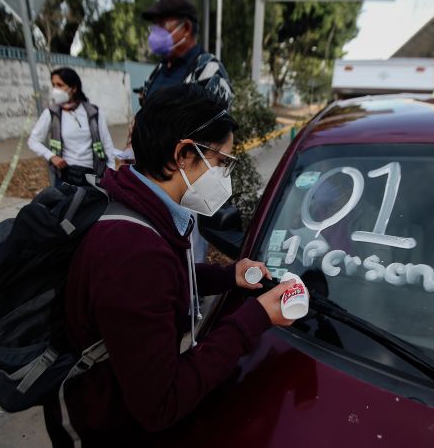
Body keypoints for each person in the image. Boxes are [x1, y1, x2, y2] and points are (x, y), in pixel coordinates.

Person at [42, 84, 296, 447]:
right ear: (183, 154)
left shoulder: (136, 201)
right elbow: (160, 405)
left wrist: (228, 275)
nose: (225, 175)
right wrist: (254, 317)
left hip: (114, 393)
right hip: (104, 424)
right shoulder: (134, 253)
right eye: (222, 161)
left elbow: (163, 285)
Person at [135, 0, 235, 263]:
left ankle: (190, 296)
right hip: (153, 185)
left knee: (186, 256)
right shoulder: (158, 72)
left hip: (186, 184)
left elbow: (216, 135)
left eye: (161, 25)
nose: (154, 33)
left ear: (185, 28)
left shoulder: (207, 71)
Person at [28, 67, 122, 187]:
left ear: (73, 88)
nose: (55, 89)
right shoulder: (52, 113)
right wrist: (51, 156)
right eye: (53, 85)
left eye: (60, 85)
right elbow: (33, 141)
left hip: (93, 176)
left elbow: (107, 144)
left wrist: (111, 172)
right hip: (65, 177)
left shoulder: (93, 112)